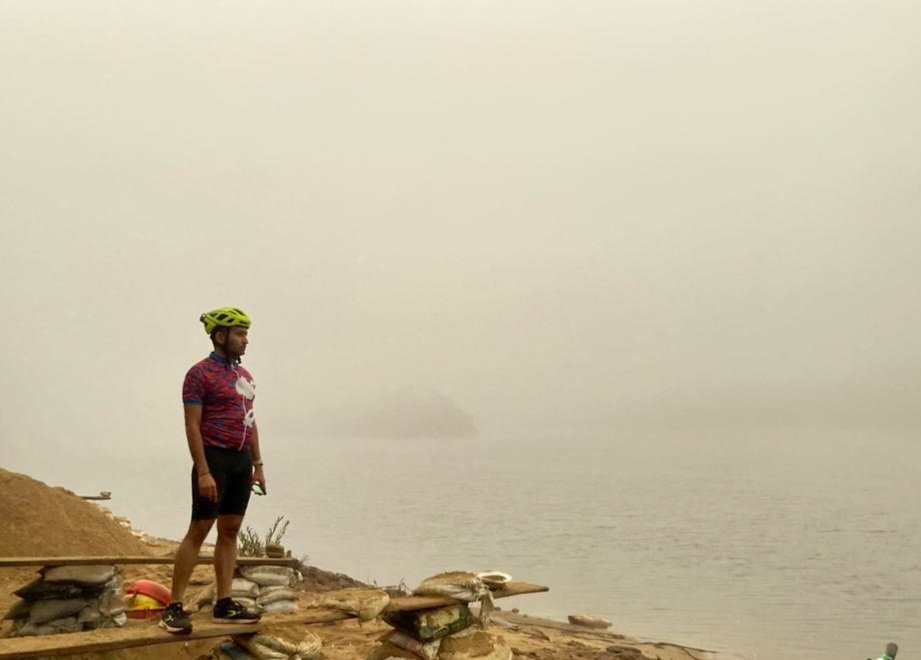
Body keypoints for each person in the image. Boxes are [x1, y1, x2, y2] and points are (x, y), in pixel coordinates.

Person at [160, 307, 267, 633]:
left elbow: (251, 421)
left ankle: (224, 603)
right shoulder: (199, 374)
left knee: (230, 530)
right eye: (240, 334)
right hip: (214, 459)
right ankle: (173, 606)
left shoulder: (244, 376)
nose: (245, 340)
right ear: (220, 336)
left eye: (246, 334)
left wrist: (258, 464)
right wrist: (203, 471)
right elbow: (192, 427)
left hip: (240, 462)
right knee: (200, 528)